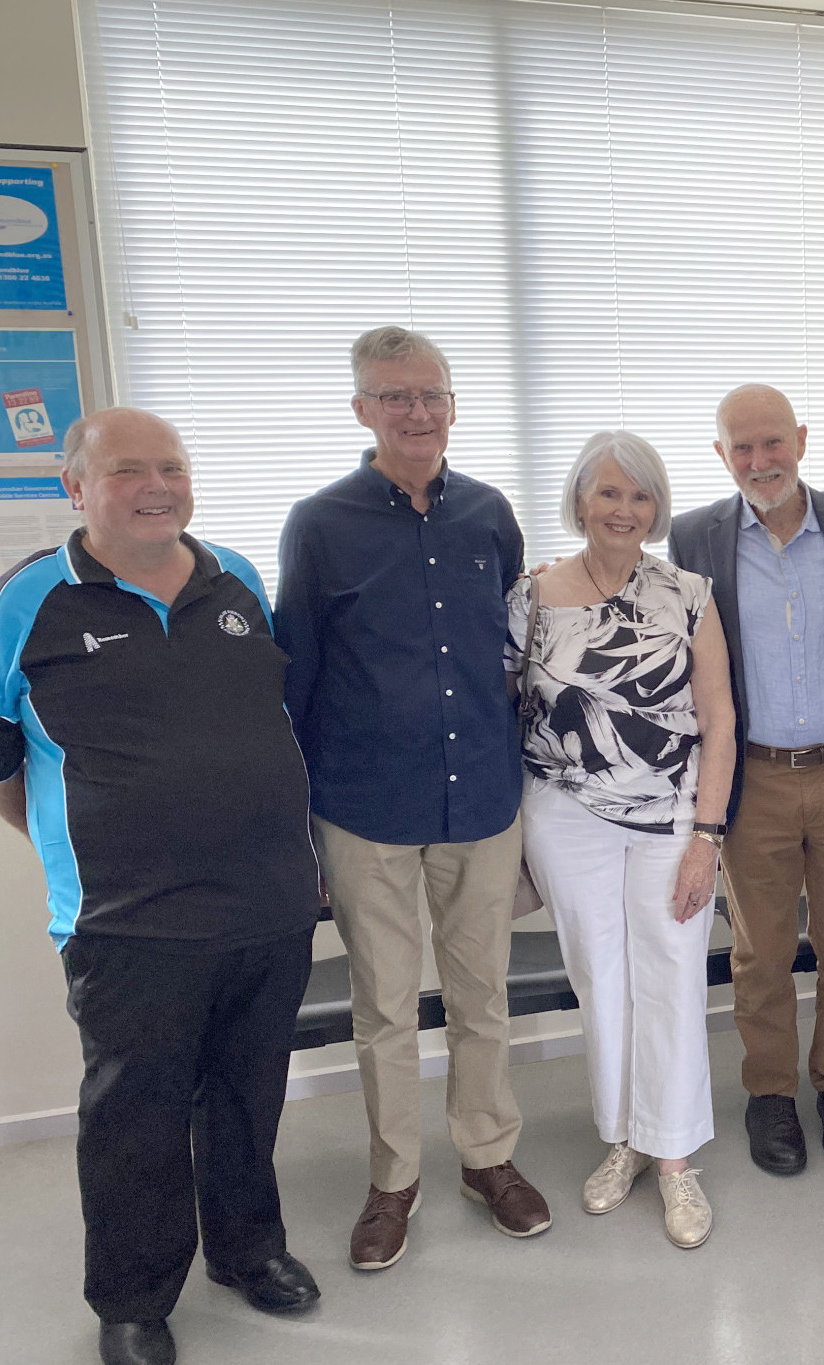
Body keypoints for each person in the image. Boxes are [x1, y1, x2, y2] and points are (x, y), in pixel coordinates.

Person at [0, 409, 321, 1365]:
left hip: (267, 901)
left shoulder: (236, 577)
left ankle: (249, 1249)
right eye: (127, 470)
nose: (157, 485)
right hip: (126, 921)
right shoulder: (24, 602)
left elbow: (268, 717)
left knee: (247, 1094)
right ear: (75, 487)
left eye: (172, 466)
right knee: (135, 1115)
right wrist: (87, 847)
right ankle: (133, 1298)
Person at [277, 326, 550, 1271]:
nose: (417, 412)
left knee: (483, 997)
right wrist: (305, 829)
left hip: (480, 796)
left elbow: (518, 651)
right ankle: (394, 1180)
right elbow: (297, 681)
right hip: (365, 807)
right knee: (384, 1006)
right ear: (362, 410)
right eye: (395, 397)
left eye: (431, 394)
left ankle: (490, 1156)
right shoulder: (319, 524)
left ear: (453, 405)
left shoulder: (486, 513)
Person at [512, 431, 734, 1248]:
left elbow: (720, 718)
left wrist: (708, 834)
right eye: (608, 493)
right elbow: (507, 707)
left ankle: (676, 1159)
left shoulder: (689, 592)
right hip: (564, 813)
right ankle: (627, 1140)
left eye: (640, 496)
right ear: (579, 501)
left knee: (671, 969)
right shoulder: (532, 597)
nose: (624, 509)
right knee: (600, 976)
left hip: (671, 812)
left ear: (657, 507)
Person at [665, 383, 824, 1175]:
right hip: (751, 776)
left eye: (773, 443)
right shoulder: (692, 537)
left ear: (801, 438)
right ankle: (769, 1090)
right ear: (721, 455)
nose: (761, 461)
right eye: (742, 448)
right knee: (761, 952)